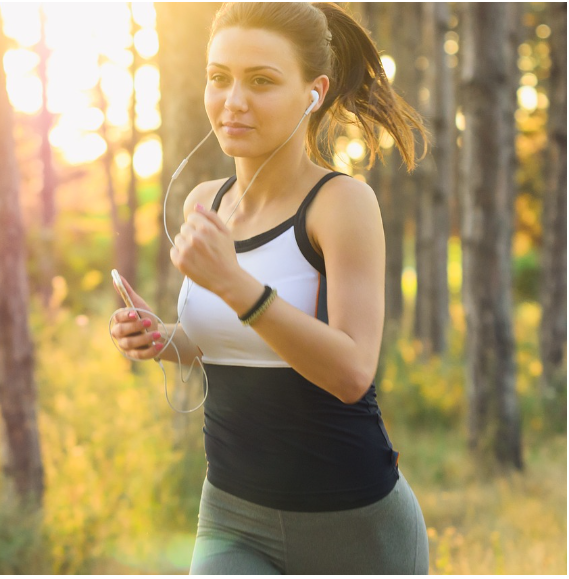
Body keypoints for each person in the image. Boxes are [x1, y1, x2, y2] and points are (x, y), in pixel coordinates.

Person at [110, 2, 431, 574]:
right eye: (219, 78)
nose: (233, 101)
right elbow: (228, 341)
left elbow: (352, 372)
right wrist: (162, 338)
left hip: (353, 525)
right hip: (232, 515)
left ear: (314, 91)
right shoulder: (203, 202)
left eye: (261, 81)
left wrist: (234, 284)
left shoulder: (340, 205)